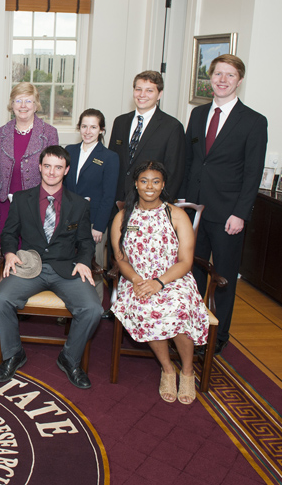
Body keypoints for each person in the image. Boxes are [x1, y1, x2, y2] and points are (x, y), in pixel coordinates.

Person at [0, 146, 102, 389]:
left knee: (93, 309)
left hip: (67, 269)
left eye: (58, 167)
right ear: (40, 167)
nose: (52, 172)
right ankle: (13, 354)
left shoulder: (79, 204)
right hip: (30, 266)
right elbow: (9, 233)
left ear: (66, 170)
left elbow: (85, 242)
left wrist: (84, 262)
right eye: (48, 166)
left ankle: (70, 358)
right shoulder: (21, 199)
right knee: (0, 300)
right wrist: (9, 253)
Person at [184, 54, 268, 356]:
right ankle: (191, 329)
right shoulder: (197, 114)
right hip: (194, 212)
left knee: (223, 278)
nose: (222, 80)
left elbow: (252, 172)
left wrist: (240, 214)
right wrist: (182, 204)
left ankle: (217, 337)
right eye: (217, 74)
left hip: (227, 215)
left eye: (229, 75)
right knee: (191, 274)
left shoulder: (254, 122)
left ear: (239, 81)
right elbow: (191, 161)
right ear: (210, 79)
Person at [110, 161, 209, 404]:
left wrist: (159, 283)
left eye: (155, 181)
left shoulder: (176, 215)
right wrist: (136, 280)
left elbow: (186, 261)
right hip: (137, 279)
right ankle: (167, 369)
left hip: (173, 277)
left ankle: (187, 370)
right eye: (144, 181)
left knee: (180, 307)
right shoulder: (123, 217)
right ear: (136, 183)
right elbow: (120, 258)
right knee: (147, 308)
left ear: (163, 185)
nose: (149, 187)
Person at [0, 83, 59, 261]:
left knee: (32, 255)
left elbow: (55, 173)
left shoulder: (49, 133)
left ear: (36, 105)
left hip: (36, 205)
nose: (23, 105)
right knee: (8, 252)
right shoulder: (1, 133)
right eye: (18, 100)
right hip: (6, 206)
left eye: (28, 101)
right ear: (12, 104)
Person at [108, 71, 187, 201]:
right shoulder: (120, 122)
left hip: (150, 202)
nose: (142, 95)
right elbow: (112, 163)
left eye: (149, 91)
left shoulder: (172, 127)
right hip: (118, 200)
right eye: (138, 89)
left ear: (159, 94)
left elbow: (174, 174)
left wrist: (159, 206)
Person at [65, 109, 119, 300]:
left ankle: (93, 306)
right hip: (69, 217)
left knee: (91, 265)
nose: (88, 131)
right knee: (68, 262)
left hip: (94, 222)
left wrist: (99, 226)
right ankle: (68, 306)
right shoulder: (69, 151)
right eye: (84, 126)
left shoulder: (109, 157)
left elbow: (108, 195)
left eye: (93, 127)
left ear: (102, 130)